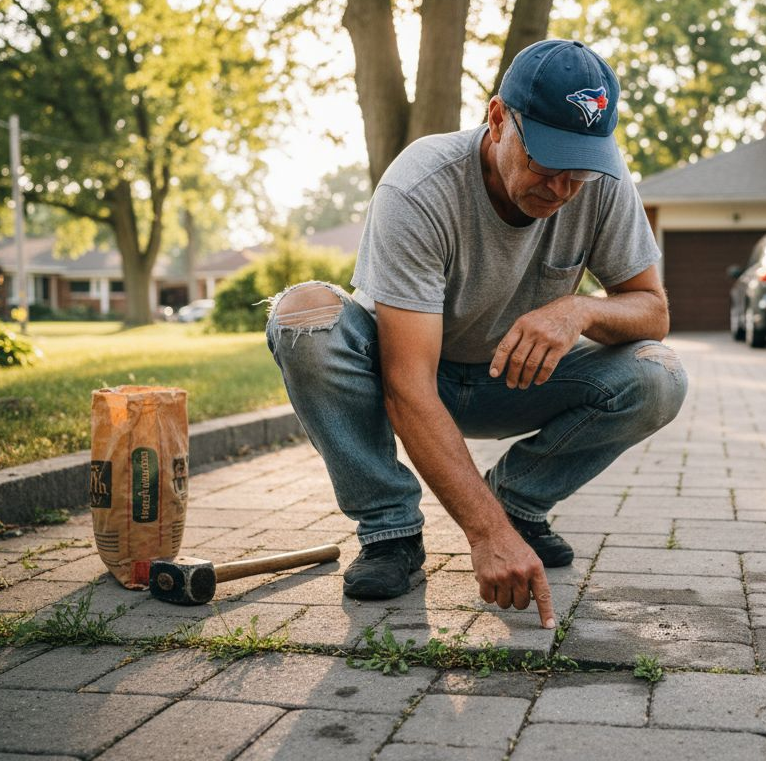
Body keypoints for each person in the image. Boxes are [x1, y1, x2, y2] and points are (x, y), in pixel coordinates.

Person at [265, 40, 686, 629]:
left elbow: (652, 311)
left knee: (659, 375)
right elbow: (408, 384)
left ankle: (518, 504)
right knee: (304, 317)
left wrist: (578, 311)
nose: (563, 188)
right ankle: (390, 531)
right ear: (497, 119)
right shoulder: (420, 186)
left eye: (580, 168)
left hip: (514, 379)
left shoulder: (603, 181)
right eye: (547, 162)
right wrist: (483, 535)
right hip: (414, 373)